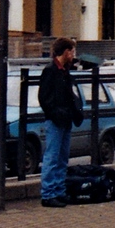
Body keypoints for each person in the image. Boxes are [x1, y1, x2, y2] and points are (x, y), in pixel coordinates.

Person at [37, 37, 83, 208]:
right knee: (52, 156)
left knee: (62, 157)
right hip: (56, 120)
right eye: (71, 51)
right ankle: (48, 194)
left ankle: (58, 190)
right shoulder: (51, 71)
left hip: (64, 119)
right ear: (65, 52)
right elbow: (44, 98)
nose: (73, 55)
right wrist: (56, 113)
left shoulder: (64, 71)